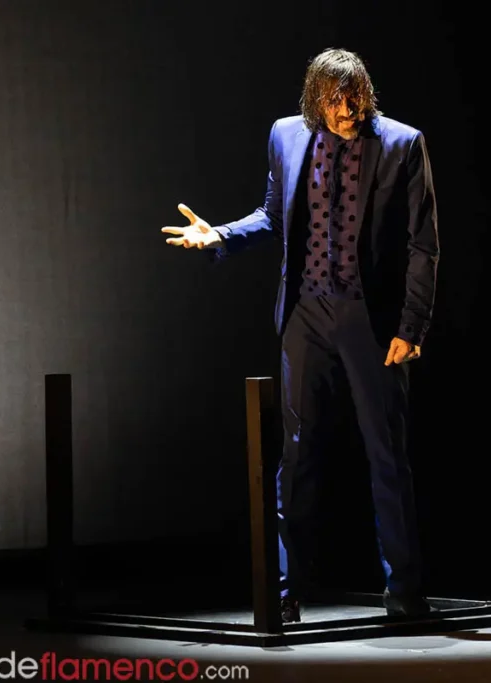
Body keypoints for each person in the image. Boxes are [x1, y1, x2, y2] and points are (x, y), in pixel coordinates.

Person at [161, 48, 439, 622]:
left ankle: (405, 592)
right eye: (335, 101)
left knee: (386, 454)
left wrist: (411, 325)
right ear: (316, 100)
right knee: (296, 454)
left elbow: (423, 244)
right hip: (305, 315)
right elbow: (273, 215)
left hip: (371, 320)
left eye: (355, 97)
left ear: (367, 93)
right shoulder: (286, 136)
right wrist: (222, 235)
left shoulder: (403, 144)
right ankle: (285, 593)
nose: (347, 110)